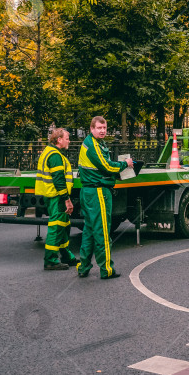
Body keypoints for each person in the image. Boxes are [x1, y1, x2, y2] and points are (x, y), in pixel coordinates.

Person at [76, 116, 132, 280]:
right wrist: (125, 164)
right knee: (102, 231)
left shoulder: (93, 142)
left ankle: (83, 267)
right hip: (98, 192)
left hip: (88, 191)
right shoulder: (93, 145)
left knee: (89, 231)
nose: (102, 131)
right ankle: (107, 270)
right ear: (91, 129)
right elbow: (106, 166)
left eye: (104, 128)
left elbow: (102, 164)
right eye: (99, 128)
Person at [36, 128, 78, 270]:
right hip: (57, 197)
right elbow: (59, 179)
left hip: (53, 195)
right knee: (56, 227)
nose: (69, 141)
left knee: (64, 226)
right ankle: (51, 260)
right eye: (67, 138)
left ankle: (67, 256)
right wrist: (66, 199)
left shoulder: (49, 151)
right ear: (59, 140)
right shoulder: (55, 155)